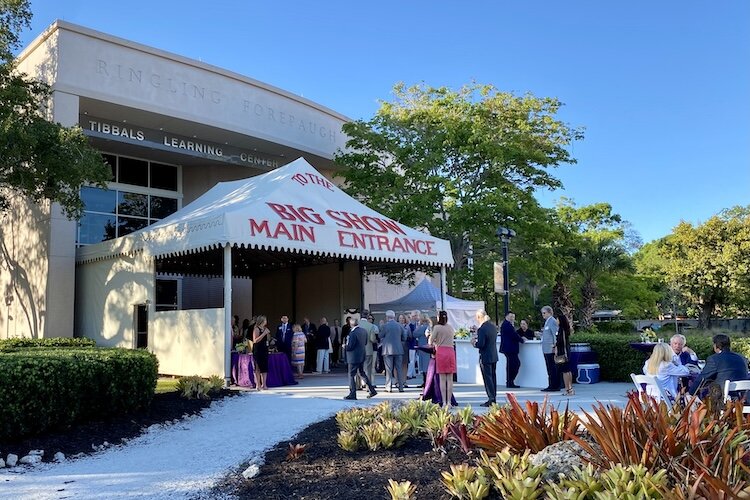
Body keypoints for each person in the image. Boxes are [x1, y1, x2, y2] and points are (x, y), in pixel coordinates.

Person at [344, 317, 377, 400]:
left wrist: (345, 346)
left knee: (351, 375)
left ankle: (352, 393)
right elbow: (365, 342)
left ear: (350, 324)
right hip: (362, 355)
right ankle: (372, 390)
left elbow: (350, 346)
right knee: (362, 373)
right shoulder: (363, 331)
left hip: (353, 356)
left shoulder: (352, 333)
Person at [431, 310, 456, 408]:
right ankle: (449, 402)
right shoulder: (450, 327)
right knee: (450, 379)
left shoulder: (437, 327)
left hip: (441, 352)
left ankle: (444, 401)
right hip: (450, 352)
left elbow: (431, 340)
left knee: (442, 379)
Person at [473, 309, 498, 406]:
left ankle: (491, 398)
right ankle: (493, 397)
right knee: (493, 377)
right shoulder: (492, 327)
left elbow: (481, 344)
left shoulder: (482, 329)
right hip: (493, 355)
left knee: (487, 378)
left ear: (479, 317)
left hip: (485, 356)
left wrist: (474, 343)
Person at [380, 310, 406, 392]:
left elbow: (380, 335)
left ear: (387, 317)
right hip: (398, 349)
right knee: (399, 369)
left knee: (388, 369)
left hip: (388, 350)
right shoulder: (400, 325)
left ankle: (389, 386)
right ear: (394, 317)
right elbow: (404, 337)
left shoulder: (385, 326)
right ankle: (401, 386)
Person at [499, 311, 523, 389]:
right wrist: (522, 340)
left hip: (509, 348)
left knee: (512, 364)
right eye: (511, 316)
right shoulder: (507, 325)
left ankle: (510, 381)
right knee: (514, 364)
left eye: (513, 317)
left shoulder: (507, 324)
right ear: (506, 316)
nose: (512, 318)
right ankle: (510, 381)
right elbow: (513, 335)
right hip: (509, 348)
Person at [540, 306, 560, 392]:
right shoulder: (547, 322)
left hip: (550, 349)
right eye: (542, 313)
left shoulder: (552, 321)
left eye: (544, 313)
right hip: (546, 349)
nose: (543, 315)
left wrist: (555, 347)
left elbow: (555, 335)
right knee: (549, 368)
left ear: (549, 313)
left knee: (552, 368)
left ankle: (554, 386)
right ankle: (551, 384)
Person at [357, 310, 379, 388]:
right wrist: (376, 341)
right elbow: (372, 339)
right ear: (367, 316)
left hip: (358, 350)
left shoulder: (357, 325)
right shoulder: (370, 326)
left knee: (358, 368)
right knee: (368, 369)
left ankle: (358, 385)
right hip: (368, 349)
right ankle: (368, 386)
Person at [556, 312, 575, 396]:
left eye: (557, 319)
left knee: (565, 371)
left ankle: (568, 389)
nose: (556, 321)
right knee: (568, 371)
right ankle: (570, 389)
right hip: (565, 351)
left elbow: (562, 342)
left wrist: (556, 346)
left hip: (563, 352)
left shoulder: (562, 330)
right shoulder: (564, 329)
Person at [252, 315, 270, 390]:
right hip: (258, 350)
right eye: (265, 320)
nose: (266, 321)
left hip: (264, 349)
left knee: (264, 367)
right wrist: (264, 333)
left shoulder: (265, 329)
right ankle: (258, 385)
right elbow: (255, 340)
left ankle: (264, 384)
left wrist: (268, 335)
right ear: (262, 321)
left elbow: (267, 339)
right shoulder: (256, 329)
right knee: (258, 367)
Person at [414, 314, 432, 388]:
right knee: (427, 365)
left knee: (425, 366)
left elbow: (414, 334)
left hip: (423, 348)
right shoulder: (430, 326)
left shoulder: (422, 327)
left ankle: (425, 382)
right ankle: (426, 382)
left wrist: (417, 327)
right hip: (428, 347)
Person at [407, 310, 420, 379]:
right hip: (412, 343)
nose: (415, 317)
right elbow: (410, 335)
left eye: (416, 315)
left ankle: (413, 373)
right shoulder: (411, 325)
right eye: (414, 316)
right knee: (411, 359)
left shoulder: (419, 324)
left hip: (417, 343)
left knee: (414, 359)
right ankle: (409, 374)